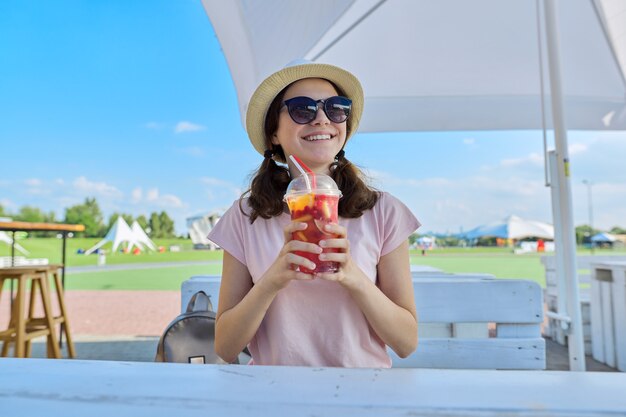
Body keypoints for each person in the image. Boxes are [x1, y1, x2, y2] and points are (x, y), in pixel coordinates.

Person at [208, 60, 420, 367]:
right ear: (274, 135)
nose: (322, 119)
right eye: (302, 109)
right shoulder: (246, 217)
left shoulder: (383, 212)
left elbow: (406, 343)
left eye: (336, 108)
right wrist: (272, 280)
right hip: (275, 394)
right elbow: (226, 347)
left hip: (363, 394)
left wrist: (352, 276)